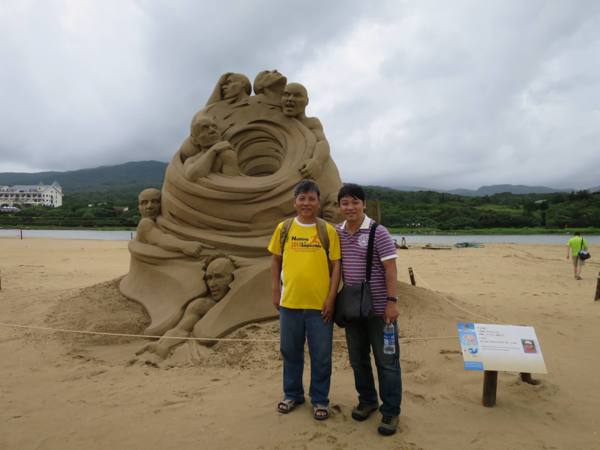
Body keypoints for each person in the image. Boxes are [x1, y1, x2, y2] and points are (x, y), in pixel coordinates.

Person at [268, 180, 341, 420]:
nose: (306, 203)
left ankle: (320, 399)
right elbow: (275, 260)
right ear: (295, 202)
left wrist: (331, 298)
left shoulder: (327, 230)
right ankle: (292, 394)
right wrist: (276, 290)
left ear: (318, 203)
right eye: (302, 198)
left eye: (311, 199)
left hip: (319, 306)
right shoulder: (284, 228)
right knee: (290, 352)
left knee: (321, 355)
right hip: (290, 304)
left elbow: (336, 266)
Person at [336, 183, 402, 436]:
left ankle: (391, 410)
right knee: (358, 360)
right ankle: (367, 400)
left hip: (380, 310)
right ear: (339, 206)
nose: (350, 207)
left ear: (363, 204)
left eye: (355, 202)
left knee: (387, 361)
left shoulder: (378, 231)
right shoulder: (337, 232)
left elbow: (391, 269)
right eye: (345, 203)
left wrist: (392, 302)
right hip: (353, 308)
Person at [136, 255, 237, 359]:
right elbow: (181, 329)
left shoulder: (242, 300)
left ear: (234, 277)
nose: (212, 284)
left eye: (219, 277)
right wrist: (162, 345)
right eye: (209, 278)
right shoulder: (203, 305)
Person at [136, 188, 204, 257]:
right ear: (139, 207)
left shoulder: (162, 221)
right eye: (144, 203)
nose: (149, 206)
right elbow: (158, 238)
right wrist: (183, 245)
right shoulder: (145, 223)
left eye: (155, 202)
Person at [179, 114, 238, 179]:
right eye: (204, 128)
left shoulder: (226, 155)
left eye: (214, 127)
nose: (212, 130)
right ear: (195, 140)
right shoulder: (191, 160)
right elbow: (192, 175)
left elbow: (233, 181)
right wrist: (213, 151)